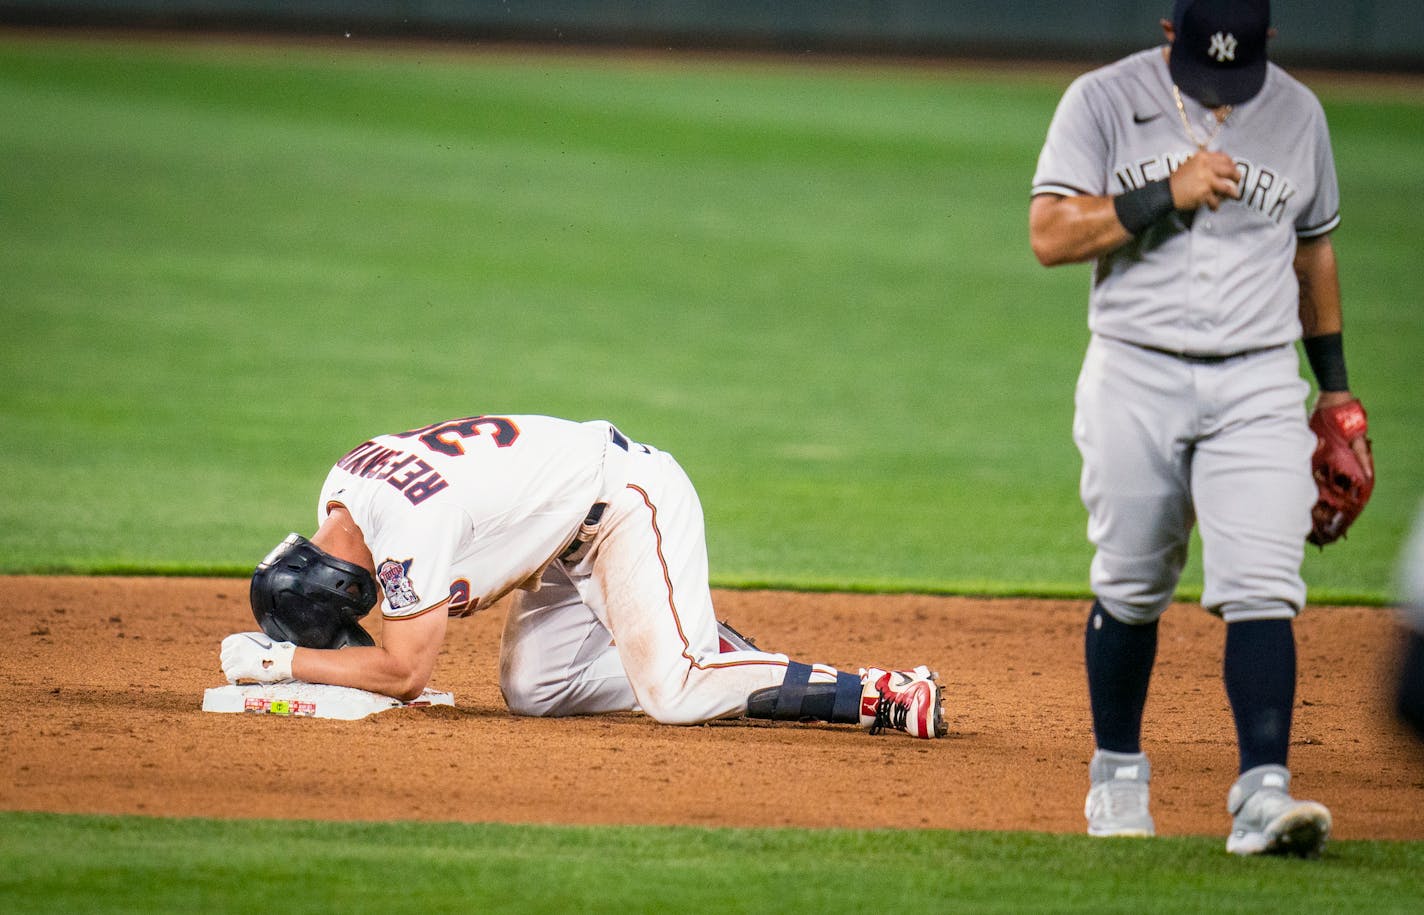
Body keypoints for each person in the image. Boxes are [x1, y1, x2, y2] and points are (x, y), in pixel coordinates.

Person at [1028, 0, 1373, 856]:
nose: (1222, 88)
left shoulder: (1297, 113)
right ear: (1169, 34)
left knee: (1263, 583)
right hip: (1134, 371)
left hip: (1258, 377)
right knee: (1133, 581)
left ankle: (1264, 793)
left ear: (1271, 46)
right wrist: (1163, 193)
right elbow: (1049, 234)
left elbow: (1313, 249)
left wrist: (1334, 396)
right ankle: (1116, 779)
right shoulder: (1101, 101)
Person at [220, 413, 946, 740]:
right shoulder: (342, 491)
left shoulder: (406, 530)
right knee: (536, 691)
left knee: (677, 692)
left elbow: (405, 672)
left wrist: (284, 659)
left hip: (628, 499)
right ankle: (688, 636)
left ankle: (877, 693)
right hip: (569, 536)